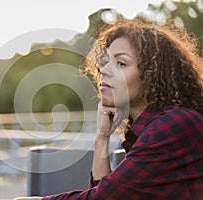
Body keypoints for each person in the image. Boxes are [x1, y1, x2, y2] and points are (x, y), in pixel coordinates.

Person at [14, 18, 203, 200]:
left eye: (121, 63)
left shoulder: (175, 124)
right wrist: (102, 136)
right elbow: (109, 191)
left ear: (151, 74)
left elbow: (104, 196)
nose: (104, 70)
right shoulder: (144, 132)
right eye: (106, 61)